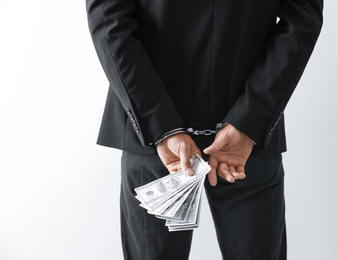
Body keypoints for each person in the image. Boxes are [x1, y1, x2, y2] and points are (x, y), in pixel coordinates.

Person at [86, 0, 323, 259]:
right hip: (240, 138)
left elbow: (108, 20)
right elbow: (302, 20)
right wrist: (251, 118)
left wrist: (159, 123)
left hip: (162, 138)